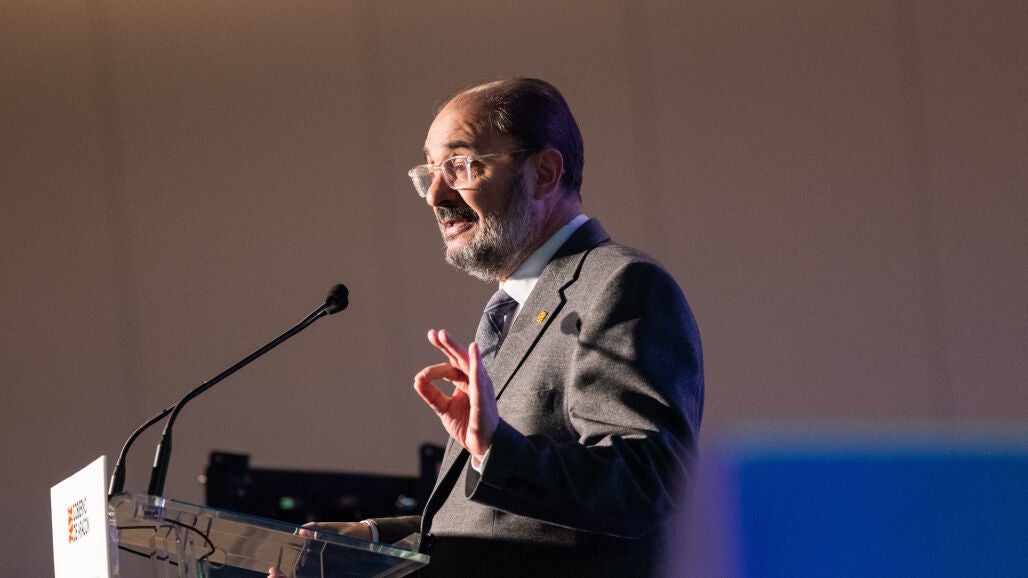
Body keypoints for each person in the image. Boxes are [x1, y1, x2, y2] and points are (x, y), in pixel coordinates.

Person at [272, 77, 703, 577]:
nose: (435, 196)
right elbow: (506, 523)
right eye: (430, 171)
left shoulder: (619, 285)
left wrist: (495, 449)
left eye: (460, 165)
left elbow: (647, 485)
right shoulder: (516, 306)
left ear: (544, 173)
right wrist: (371, 542)